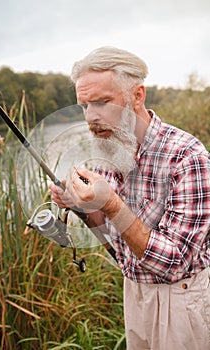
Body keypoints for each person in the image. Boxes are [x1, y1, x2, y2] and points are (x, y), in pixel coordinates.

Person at [49, 46, 210, 350]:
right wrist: (81, 204)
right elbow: (109, 231)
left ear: (137, 95)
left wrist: (110, 202)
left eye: (102, 102)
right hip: (133, 291)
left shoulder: (188, 157)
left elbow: (174, 262)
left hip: (181, 297)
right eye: (84, 106)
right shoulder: (109, 146)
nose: (91, 117)